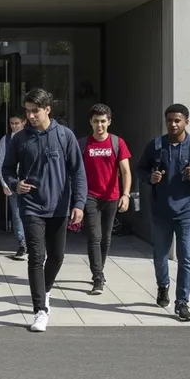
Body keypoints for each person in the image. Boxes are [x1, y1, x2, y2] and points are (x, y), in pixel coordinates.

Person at [2, 88, 87, 333]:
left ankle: (45, 290)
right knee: (36, 256)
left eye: (35, 111)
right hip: (30, 206)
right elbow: (7, 169)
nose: (30, 116)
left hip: (59, 207)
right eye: (27, 111)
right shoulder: (20, 138)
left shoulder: (65, 135)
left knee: (57, 256)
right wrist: (15, 184)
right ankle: (40, 309)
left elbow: (78, 172)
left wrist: (78, 204)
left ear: (48, 109)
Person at [136, 104, 190, 322]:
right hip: (161, 211)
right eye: (169, 120)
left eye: (177, 120)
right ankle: (163, 287)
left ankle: (182, 302)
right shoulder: (156, 146)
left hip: (187, 213)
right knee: (160, 257)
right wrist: (149, 178)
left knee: (186, 258)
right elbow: (140, 169)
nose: (173, 124)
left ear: (186, 122)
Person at [79, 103, 132, 294]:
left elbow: (126, 171)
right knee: (94, 236)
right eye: (95, 121)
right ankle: (97, 276)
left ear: (109, 122)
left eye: (103, 121)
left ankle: (99, 269)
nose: (99, 125)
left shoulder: (117, 143)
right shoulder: (83, 144)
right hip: (90, 196)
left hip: (111, 197)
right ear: (90, 122)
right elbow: (76, 171)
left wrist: (125, 195)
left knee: (106, 239)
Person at [0, 110, 27, 260]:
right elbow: (0, 162)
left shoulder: (30, 137)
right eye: (12, 124)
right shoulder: (6, 140)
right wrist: (4, 183)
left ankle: (34, 242)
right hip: (13, 181)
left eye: (17, 123)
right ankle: (22, 244)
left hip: (29, 181)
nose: (14, 126)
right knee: (17, 215)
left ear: (24, 123)